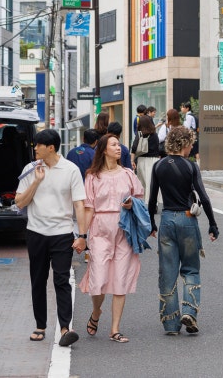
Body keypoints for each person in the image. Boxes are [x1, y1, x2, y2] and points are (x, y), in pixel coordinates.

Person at [14, 129, 87, 347]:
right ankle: (40, 325)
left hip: (62, 233)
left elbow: (79, 204)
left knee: (61, 280)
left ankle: (65, 327)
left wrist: (82, 235)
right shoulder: (30, 169)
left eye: (38, 145)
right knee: (38, 279)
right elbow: (19, 202)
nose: (34, 148)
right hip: (36, 232)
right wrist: (36, 182)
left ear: (51, 147)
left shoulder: (71, 170)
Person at [148, 126, 219, 335]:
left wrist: (152, 223)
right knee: (190, 269)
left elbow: (152, 199)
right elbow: (203, 197)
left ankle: (170, 323)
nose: (191, 148)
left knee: (168, 272)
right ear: (185, 144)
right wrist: (213, 224)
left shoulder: (158, 166)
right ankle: (189, 310)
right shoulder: (190, 166)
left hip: (167, 219)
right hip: (188, 220)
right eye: (190, 144)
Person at [79, 133, 145, 344]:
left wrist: (131, 203)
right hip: (100, 230)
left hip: (124, 230)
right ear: (104, 149)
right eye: (114, 144)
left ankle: (115, 329)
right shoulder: (92, 176)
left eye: (119, 144)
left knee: (120, 279)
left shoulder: (127, 173)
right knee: (98, 280)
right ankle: (96, 311)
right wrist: (82, 235)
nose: (119, 148)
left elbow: (140, 197)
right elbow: (88, 207)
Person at [133, 115, 161, 191]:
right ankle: (151, 200)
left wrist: (132, 160)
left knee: (142, 183)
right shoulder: (154, 135)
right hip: (153, 160)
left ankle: (143, 200)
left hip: (141, 160)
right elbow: (157, 148)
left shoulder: (140, 134)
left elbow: (134, 148)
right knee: (152, 182)